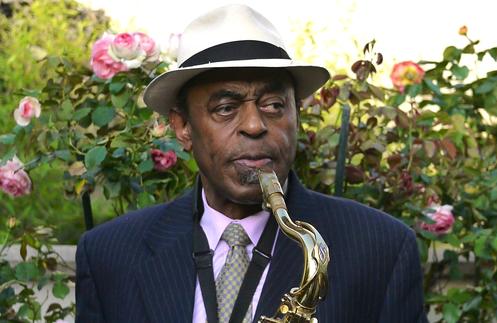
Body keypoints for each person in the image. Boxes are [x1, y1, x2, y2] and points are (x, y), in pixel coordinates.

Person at [75, 4, 427, 323]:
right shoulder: (109, 255)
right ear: (183, 127)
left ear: (297, 114)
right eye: (225, 108)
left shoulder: (382, 249)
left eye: (274, 104)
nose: (256, 125)